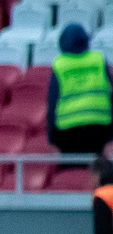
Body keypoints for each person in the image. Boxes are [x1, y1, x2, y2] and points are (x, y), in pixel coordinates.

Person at [46, 24, 111, 161]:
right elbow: (111, 94)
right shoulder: (99, 59)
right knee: (96, 167)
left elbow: (52, 102)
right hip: (99, 126)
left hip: (68, 129)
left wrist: (51, 135)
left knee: (71, 169)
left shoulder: (60, 64)